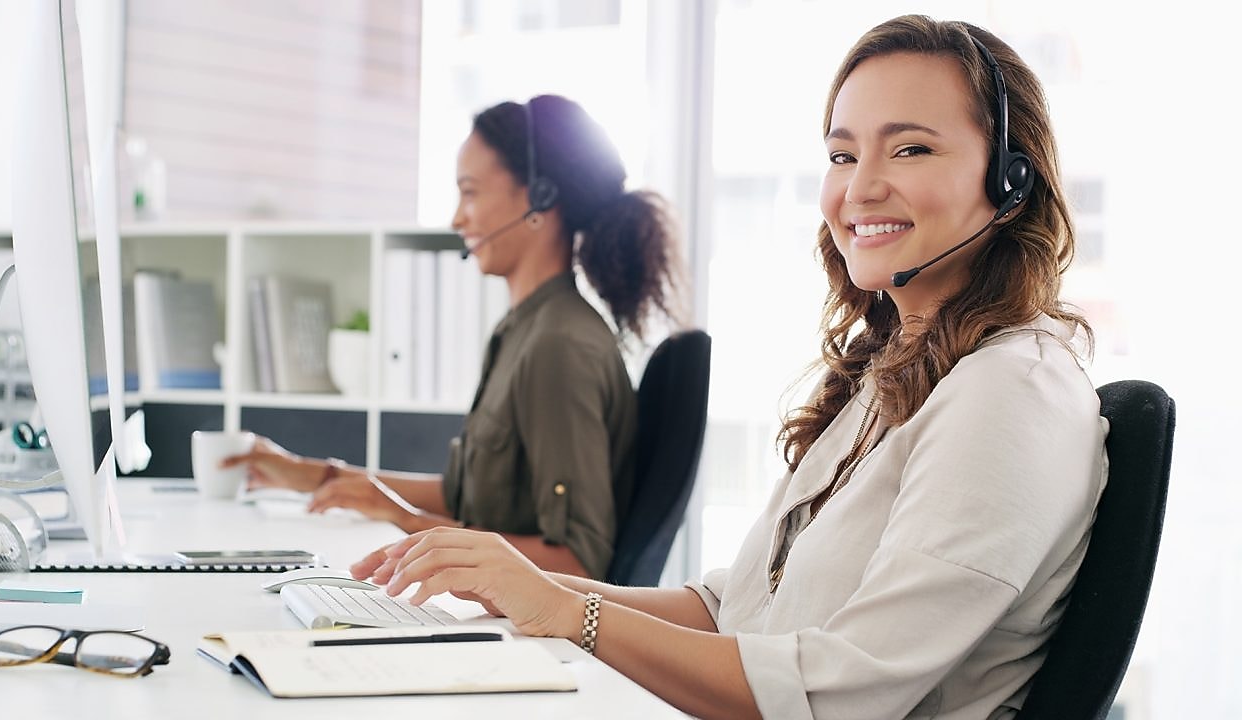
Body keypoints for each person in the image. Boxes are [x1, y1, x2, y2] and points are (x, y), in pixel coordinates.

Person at [347, 15, 1109, 720]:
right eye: (843, 155)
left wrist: (568, 613)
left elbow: (833, 694)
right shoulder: (895, 374)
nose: (860, 186)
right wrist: (524, 589)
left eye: (910, 148)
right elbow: (730, 610)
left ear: (1011, 181)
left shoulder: (1011, 391)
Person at [223, 95, 685, 580]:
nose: (456, 219)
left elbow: (577, 561)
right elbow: (466, 495)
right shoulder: (522, 329)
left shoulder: (559, 346)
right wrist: (317, 476)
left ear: (540, 200)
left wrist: (408, 523)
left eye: (470, 193)